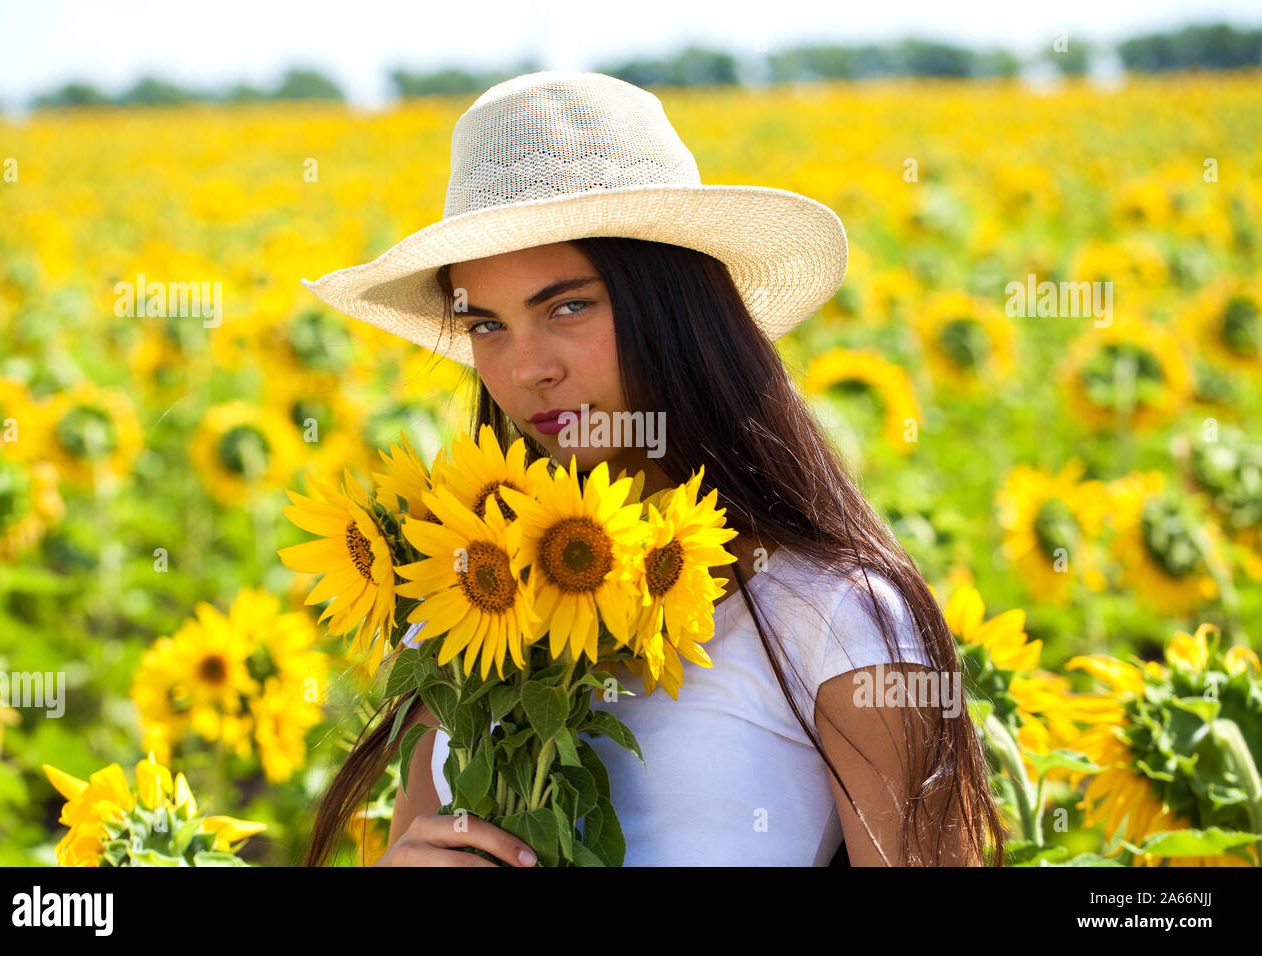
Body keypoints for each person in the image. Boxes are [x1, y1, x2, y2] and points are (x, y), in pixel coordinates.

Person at [298, 71, 1005, 867]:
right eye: (487, 325)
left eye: (568, 306)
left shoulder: (829, 617)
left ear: (672, 306)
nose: (527, 368)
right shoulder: (465, 605)